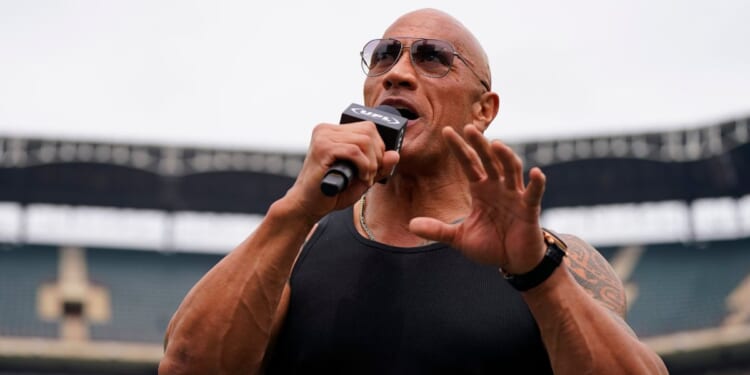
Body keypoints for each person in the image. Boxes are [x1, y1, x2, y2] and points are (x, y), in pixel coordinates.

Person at [159, 8, 668, 375]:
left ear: (483, 110)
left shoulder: (559, 261)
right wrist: (294, 211)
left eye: (432, 58)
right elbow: (186, 366)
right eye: (384, 56)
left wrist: (537, 274)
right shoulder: (296, 250)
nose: (398, 73)